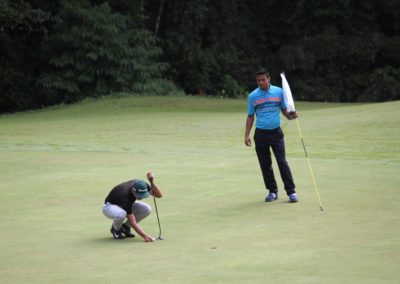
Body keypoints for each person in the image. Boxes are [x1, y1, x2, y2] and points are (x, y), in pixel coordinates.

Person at [244, 68, 299, 203]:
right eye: (258, 81)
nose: (261, 83)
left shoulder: (279, 92)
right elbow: (250, 116)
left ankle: (291, 192)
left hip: (276, 133)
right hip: (261, 134)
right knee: (265, 164)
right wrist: (247, 135)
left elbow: (285, 111)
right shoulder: (253, 96)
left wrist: (291, 116)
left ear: (269, 78)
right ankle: (272, 191)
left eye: (263, 80)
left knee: (282, 162)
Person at [102, 170, 162, 241]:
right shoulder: (125, 196)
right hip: (110, 206)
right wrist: (145, 236)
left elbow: (158, 195)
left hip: (125, 204)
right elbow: (133, 221)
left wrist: (151, 181)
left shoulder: (142, 185)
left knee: (147, 209)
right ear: (133, 191)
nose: (141, 197)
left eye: (143, 195)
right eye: (139, 195)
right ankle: (115, 229)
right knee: (121, 214)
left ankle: (125, 227)